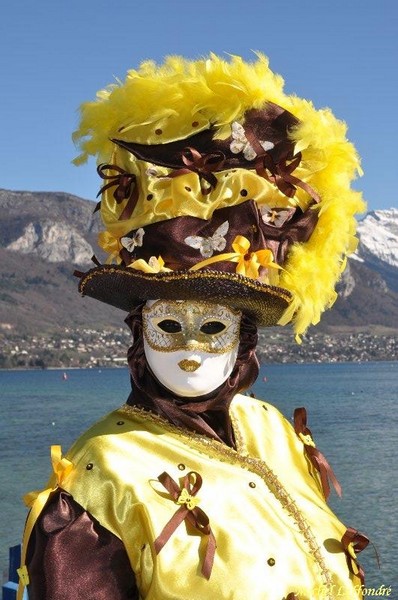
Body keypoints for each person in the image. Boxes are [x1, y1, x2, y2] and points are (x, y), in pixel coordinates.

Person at [18, 54, 369, 599]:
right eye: (166, 325)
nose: (189, 348)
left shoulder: (273, 431)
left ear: (243, 340)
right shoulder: (100, 476)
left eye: (212, 327)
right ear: (138, 334)